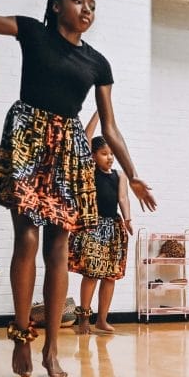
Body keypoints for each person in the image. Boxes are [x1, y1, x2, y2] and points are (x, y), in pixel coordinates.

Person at [0, 0, 156, 377]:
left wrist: (134, 172)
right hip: (27, 136)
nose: (87, 8)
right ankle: (22, 339)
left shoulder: (98, 63)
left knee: (59, 246)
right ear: (57, 5)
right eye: (78, 1)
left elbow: (111, 126)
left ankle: (52, 349)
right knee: (26, 234)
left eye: (92, 4)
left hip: (68, 148)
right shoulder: (32, 32)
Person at [70, 112, 132, 334]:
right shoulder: (88, 170)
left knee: (110, 276)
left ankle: (102, 319)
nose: (110, 158)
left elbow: (123, 198)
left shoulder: (119, 176)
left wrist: (128, 219)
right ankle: (84, 318)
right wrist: (100, 111)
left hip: (112, 228)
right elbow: (85, 138)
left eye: (112, 154)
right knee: (91, 274)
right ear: (93, 156)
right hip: (93, 227)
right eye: (104, 154)